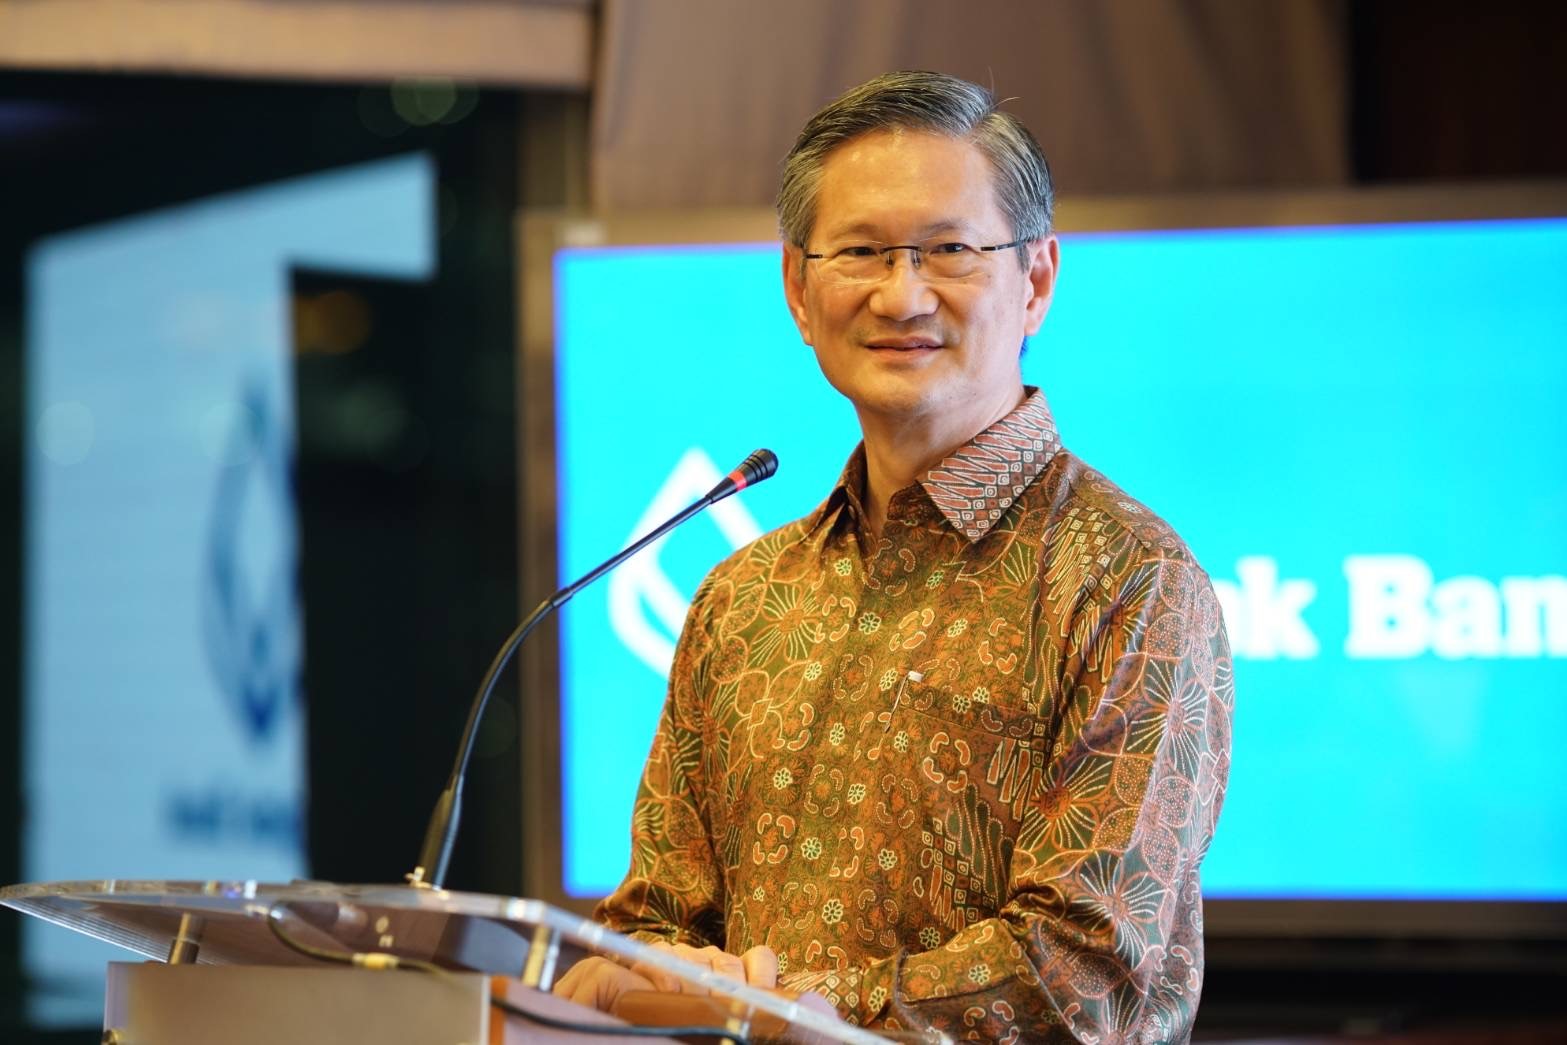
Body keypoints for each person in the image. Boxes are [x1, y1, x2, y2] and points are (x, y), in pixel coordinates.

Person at [554, 70, 1233, 1042]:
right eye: (861, 251)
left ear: (1036, 280)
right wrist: (627, 975)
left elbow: (1086, 974)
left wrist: (789, 1009)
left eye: (948, 250)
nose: (900, 293)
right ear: (798, 288)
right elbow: (657, 917)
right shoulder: (744, 595)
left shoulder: (1127, 580)